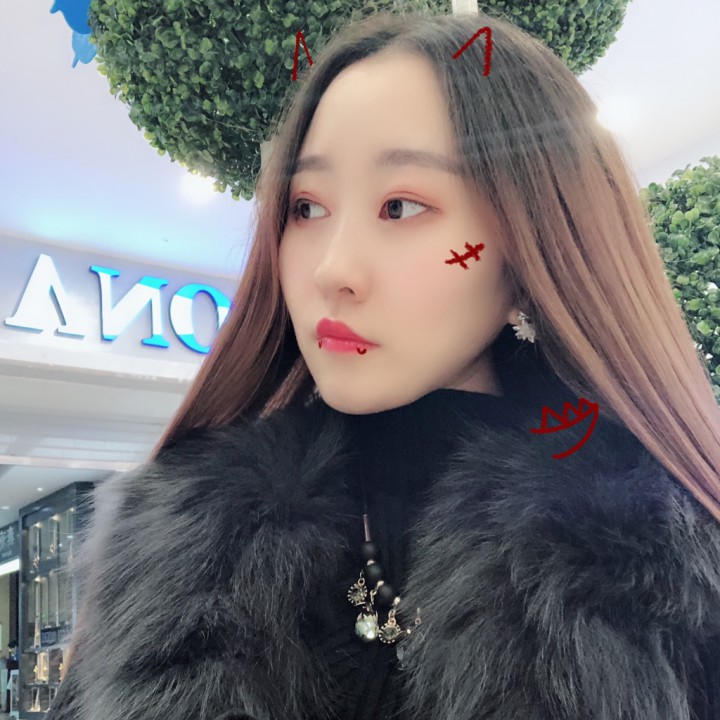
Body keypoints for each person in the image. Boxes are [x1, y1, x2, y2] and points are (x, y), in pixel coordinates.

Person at [45, 9, 720, 720]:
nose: (333, 270)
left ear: (536, 243)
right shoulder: (169, 565)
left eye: (400, 206)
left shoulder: (670, 578)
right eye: (307, 207)